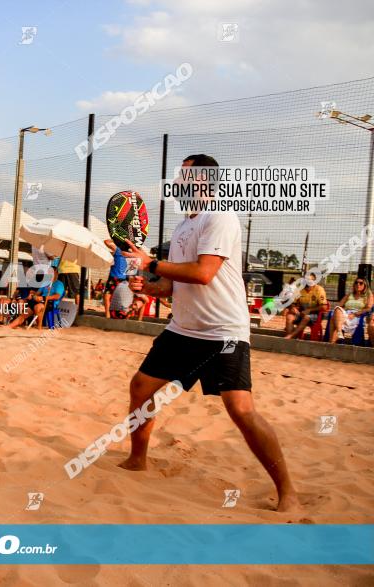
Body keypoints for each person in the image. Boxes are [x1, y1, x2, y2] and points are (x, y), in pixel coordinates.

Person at [121, 153, 299, 512]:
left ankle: (288, 492)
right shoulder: (182, 225)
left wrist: (150, 261)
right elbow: (173, 286)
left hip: (223, 332)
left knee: (241, 410)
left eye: (186, 175)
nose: (179, 180)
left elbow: (203, 273)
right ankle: (138, 459)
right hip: (184, 330)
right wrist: (148, 285)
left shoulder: (220, 216)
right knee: (140, 388)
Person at [8, 260, 65, 330]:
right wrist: (31, 294)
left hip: (50, 303)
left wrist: (43, 298)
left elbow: (57, 296)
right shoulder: (46, 282)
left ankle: (39, 327)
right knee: (25, 312)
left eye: (51, 272)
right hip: (39, 301)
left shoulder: (59, 284)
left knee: (38, 307)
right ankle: (9, 326)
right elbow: (37, 293)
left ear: (56, 274)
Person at [327, 277, 373, 343]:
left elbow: (368, 308)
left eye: (361, 283)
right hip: (346, 314)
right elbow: (339, 305)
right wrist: (343, 311)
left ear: (365, 285)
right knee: (337, 309)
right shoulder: (349, 295)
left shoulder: (368, 295)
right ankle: (339, 332)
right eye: (356, 283)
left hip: (358, 316)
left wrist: (355, 314)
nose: (358, 284)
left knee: (333, 320)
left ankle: (332, 342)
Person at [284, 274, 329, 339]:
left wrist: (309, 310)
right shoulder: (299, 289)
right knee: (289, 316)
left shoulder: (319, 290)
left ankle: (291, 336)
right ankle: (290, 340)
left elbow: (324, 307)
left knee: (306, 317)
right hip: (301, 313)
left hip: (316, 315)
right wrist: (293, 307)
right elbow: (293, 303)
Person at [103, 239, 128, 318]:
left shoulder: (118, 250)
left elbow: (106, 241)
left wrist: (115, 238)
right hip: (123, 279)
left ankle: (108, 315)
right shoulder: (129, 254)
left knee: (107, 296)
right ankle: (123, 316)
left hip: (114, 277)